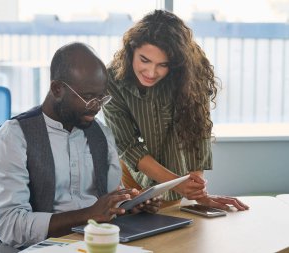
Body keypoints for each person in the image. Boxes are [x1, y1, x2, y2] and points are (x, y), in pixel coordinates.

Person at [0, 42, 163, 248]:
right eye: (88, 98)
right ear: (57, 89)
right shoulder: (13, 138)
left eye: (101, 98)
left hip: (100, 243)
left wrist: (130, 205)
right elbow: (10, 226)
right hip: (46, 247)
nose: (96, 107)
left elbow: (110, 197)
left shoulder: (101, 133)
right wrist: (88, 215)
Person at [103, 10, 249, 211]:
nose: (151, 72)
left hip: (174, 181)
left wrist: (197, 193)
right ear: (131, 50)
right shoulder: (112, 80)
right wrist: (180, 184)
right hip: (130, 177)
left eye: (163, 65)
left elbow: (197, 135)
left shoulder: (190, 77)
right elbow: (128, 146)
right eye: (144, 60)